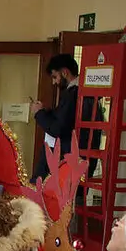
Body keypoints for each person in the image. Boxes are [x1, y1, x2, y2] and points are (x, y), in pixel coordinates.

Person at [31, 53, 80, 181]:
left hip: (65, 158)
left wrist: (39, 113)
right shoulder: (75, 93)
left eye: (55, 76)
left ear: (64, 72)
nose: (54, 82)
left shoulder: (73, 95)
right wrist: (44, 112)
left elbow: (58, 128)